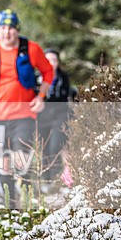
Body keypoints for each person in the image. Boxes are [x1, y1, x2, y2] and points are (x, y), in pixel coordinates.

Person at [0, 9, 54, 207]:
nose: (7, 33)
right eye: (3, 28)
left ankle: (29, 201)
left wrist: (41, 96)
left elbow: (48, 72)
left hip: (24, 115)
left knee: (22, 159)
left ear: (17, 30)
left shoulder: (31, 49)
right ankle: (11, 205)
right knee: (4, 162)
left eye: (11, 28)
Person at [36, 48, 77, 181]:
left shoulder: (63, 78)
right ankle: (45, 178)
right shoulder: (36, 78)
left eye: (54, 60)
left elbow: (67, 96)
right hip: (41, 118)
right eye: (48, 60)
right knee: (44, 149)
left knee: (56, 145)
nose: (52, 63)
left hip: (59, 116)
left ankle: (56, 176)